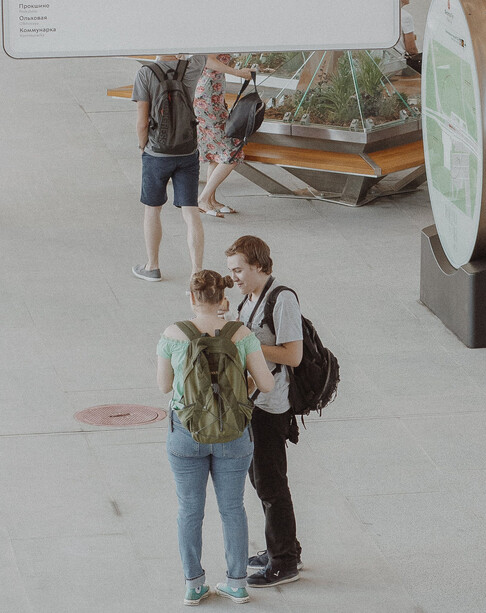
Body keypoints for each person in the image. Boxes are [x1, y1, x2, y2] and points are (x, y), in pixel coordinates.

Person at [156, 270, 274, 605]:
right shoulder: (241, 333)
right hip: (234, 434)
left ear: (192, 298)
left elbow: (164, 386)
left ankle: (194, 584)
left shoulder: (172, 334)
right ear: (223, 300)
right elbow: (266, 384)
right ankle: (236, 583)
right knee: (233, 508)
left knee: (189, 509)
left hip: (185, 432)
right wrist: (243, 389)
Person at [225, 236, 305, 588]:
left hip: (272, 406)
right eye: (231, 271)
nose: (234, 277)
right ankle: (284, 548)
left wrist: (248, 342)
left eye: (239, 269)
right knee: (260, 480)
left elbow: (293, 355)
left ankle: (284, 562)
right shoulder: (251, 297)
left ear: (258, 265)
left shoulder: (281, 298)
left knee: (271, 484)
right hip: (253, 402)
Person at [132, 54, 208, 282]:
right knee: (191, 211)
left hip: (157, 152)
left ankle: (152, 267)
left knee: (152, 209)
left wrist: (143, 146)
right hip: (187, 150)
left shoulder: (146, 73)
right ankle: (196, 273)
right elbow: (203, 49)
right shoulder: (191, 67)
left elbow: (142, 121)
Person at [194, 54, 260, 217]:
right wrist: (238, 73)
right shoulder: (215, 34)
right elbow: (207, 59)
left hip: (213, 96)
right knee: (232, 151)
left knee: (218, 152)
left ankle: (211, 200)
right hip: (207, 99)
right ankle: (202, 199)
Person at [395, 0, 422, 74]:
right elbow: (411, 49)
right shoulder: (405, 16)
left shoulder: (381, 13)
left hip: (381, 64)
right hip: (399, 66)